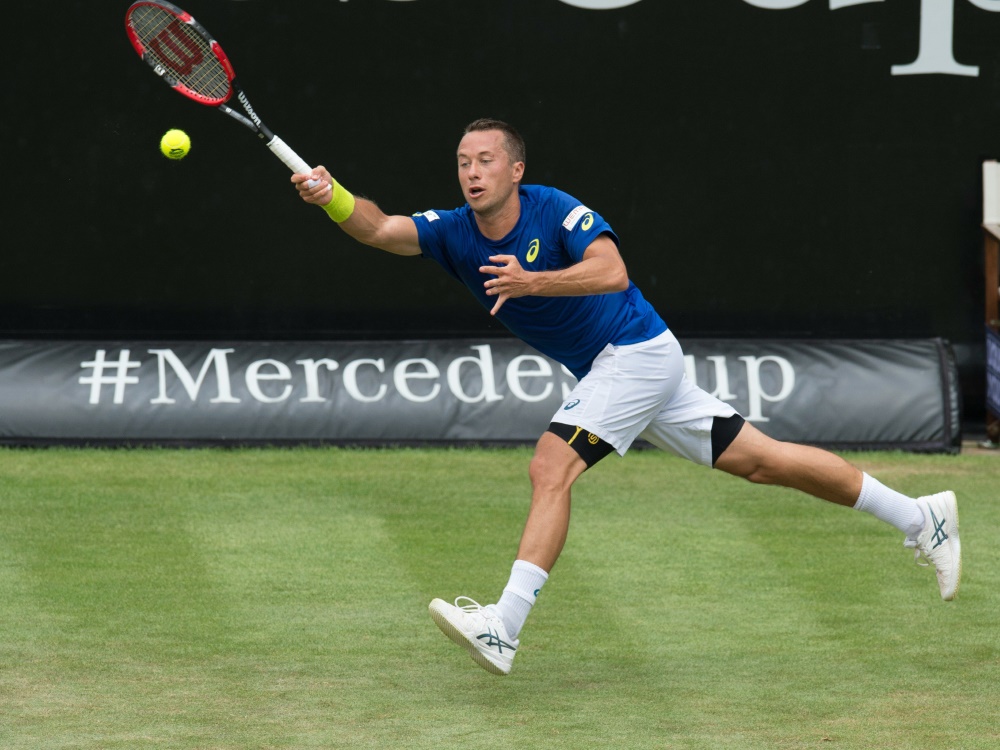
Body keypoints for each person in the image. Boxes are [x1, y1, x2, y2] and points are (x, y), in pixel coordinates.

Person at [292, 118, 961, 676]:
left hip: (635, 355)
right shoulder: (453, 230)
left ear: (515, 170)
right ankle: (919, 516)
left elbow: (613, 270)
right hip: (630, 368)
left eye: (486, 160)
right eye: (464, 161)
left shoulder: (557, 210)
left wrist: (534, 282)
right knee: (765, 461)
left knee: (550, 467)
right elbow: (381, 229)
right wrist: (333, 198)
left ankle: (503, 625)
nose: (472, 172)